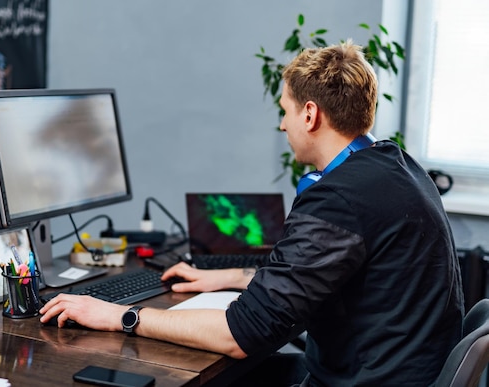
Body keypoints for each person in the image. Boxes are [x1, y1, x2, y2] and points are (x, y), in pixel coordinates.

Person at [39, 41, 464, 386]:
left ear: (310, 114)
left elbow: (240, 334)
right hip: (400, 372)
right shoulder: (395, 166)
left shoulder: (340, 197)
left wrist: (120, 315)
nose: (283, 125)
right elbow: (318, 273)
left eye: (285, 110)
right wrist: (227, 277)